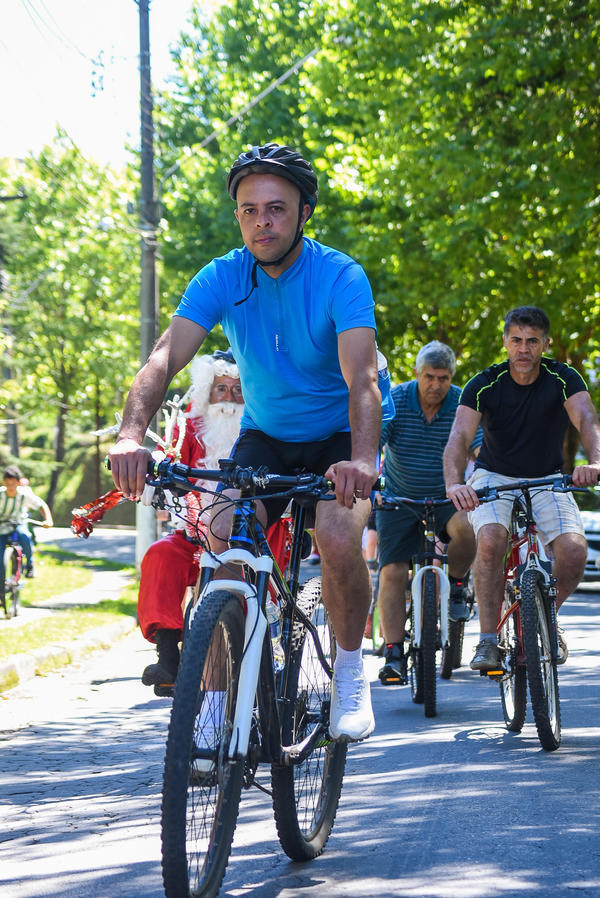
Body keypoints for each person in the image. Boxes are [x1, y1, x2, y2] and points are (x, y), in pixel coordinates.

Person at [109, 142, 382, 742]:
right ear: (237, 216)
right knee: (223, 538)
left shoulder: (340, 276)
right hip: (265, 435)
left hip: (339, 435)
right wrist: (131, 435)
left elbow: (362, 378)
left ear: (304, 212)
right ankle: (209, 706)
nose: (263, 220)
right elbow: (164, 358)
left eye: (277, 208)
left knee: (336, 535)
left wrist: (363, 458)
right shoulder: (222, 276)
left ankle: (350, 671)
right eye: (250, 209)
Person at [443, 305, 600, 671]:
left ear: (545, 344)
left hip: (547, 476)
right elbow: (459, 437)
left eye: (532, 341)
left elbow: (587, 419)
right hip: (493, 475)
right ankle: (487, 641)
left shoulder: (563, 378)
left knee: (574, 552)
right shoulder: (484, 383)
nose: (524, 349)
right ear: (505, 342)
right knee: (493, 540)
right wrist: (454, 484)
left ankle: (546, 619)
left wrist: (594, 462)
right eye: (516, 340)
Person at [138, 349, 244, 694]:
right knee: (161, 555)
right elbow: (170, 468)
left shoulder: (261, 427)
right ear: (206, 391)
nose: (228, 398)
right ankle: (169, 656)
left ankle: (259, 646)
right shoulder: (188, 426)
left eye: (237, 390)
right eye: (221, 389)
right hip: (194, 531)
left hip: (252, 534)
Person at [375, 341, 481, 684]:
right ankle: (393, 652)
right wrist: (371, 480)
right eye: (429, 376)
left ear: (452, 378)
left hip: (448, 496)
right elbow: (376, 441)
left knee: (469, 528)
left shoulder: (463, 402)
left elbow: (478, 447)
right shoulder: (399, 399)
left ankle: (457, 583)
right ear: (417, 374)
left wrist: (487, 475)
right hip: (399, 498)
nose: (435, 385)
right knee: (391, 571)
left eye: (443, 378)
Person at [0, 465, 53, 595]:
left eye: (13, 483)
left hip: (19, 523)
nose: (11, 487)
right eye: (8, 484)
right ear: (3, 483)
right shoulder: (0, 495)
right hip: (1, 525)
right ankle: (2, 581)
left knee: (24, 536)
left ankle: (29, 565)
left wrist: (48, 520)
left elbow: (42, 505)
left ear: (18, 483)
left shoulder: (24, 495)